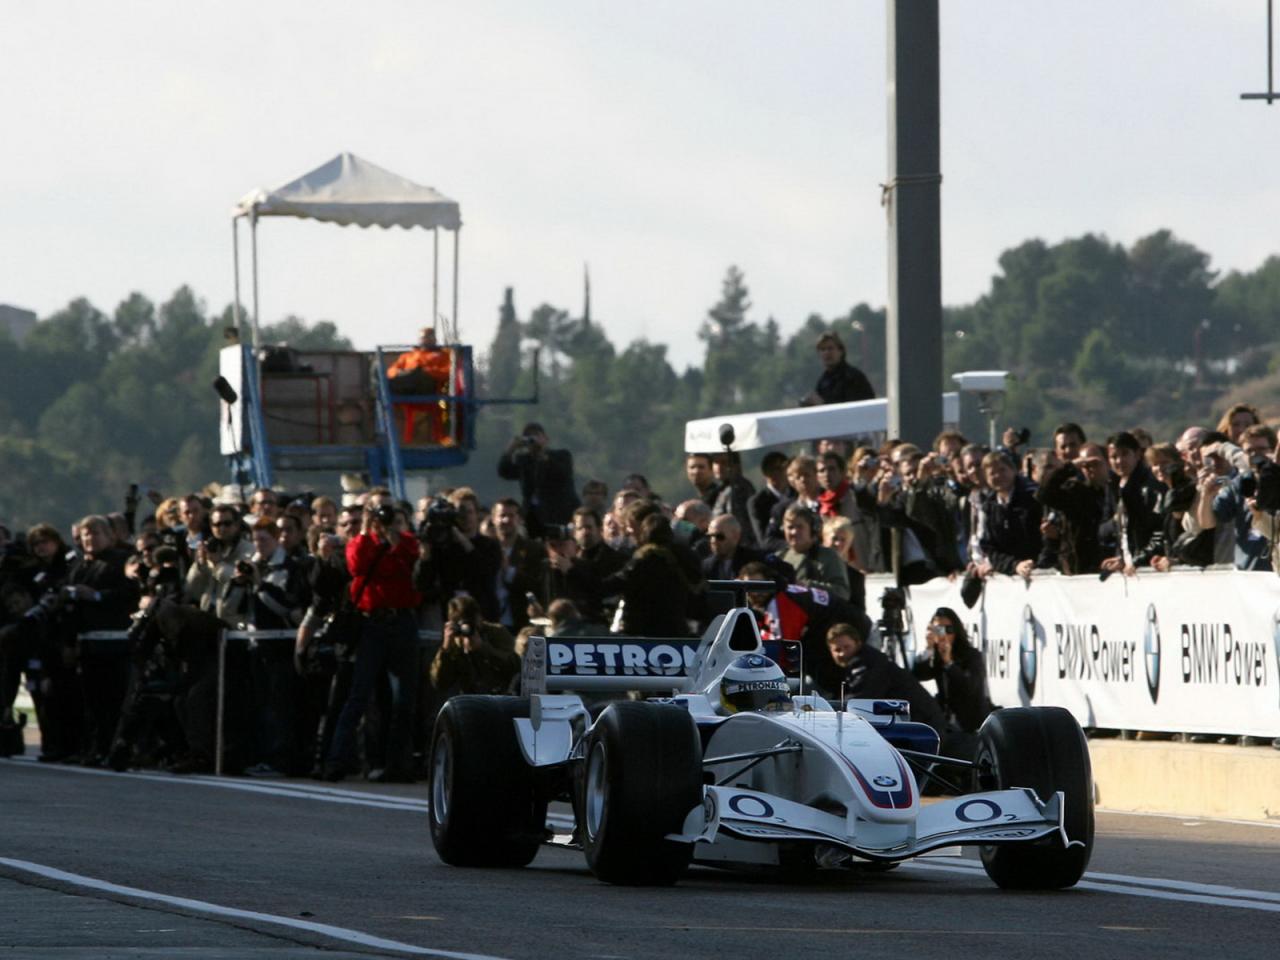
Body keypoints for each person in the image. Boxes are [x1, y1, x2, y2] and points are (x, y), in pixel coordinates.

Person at [324, 502, 422, 783]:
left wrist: (394, 540)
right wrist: (369, 531)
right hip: (373, 624)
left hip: (402, 621)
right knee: (358, 694)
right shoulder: (361, 542)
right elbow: (357, 566)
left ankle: (398, 764)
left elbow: (410, 567)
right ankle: (335, 760)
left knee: (405, 698)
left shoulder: (406, 542)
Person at [822, 622, 945, 735]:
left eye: (847, 647)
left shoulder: (867, 663)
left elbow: (859, 700)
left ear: (858, 643)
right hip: (917, 724)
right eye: (837, 650)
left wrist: (825, 711)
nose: (842, 653)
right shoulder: (864, 661)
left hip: (923, 727)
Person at [911, 607, 995, 756]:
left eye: (948, 629)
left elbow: (970, 688)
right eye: (939, 629)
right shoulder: (936, 656)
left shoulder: (971, 655)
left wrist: (949, 663)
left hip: (970, 725)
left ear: (956, 631)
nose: (944, 635)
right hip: (946, 724)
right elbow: (918, 675)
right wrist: (929, 648)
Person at [496, 422, 580, 538]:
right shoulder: (524, 460)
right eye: (529, 437)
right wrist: (511, 448)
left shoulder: (562, 455)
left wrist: (541, 453)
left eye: (536, 436)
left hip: (561, 513)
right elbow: (504, 471)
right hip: (534, 517)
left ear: (546, 438)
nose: (533, 440)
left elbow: (561, 473)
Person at [429, 595, 519, 697]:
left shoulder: (497, 633)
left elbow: (513, 666)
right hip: (467, 700)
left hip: (498, 697)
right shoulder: (454, 641)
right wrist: (445, 649)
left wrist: (483, 648)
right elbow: (439, 682)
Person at [386, 325, 457, 445]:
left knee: (440, 404)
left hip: (429, 389)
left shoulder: (443, 355)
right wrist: (401, 373)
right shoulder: (408, 356)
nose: (426, 340)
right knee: (385, 383)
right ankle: (396, 438)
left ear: (434, 339)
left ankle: (441, 437)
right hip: (407, 389)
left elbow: (447, 372)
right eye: (423, 337)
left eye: (429, 337)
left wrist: (427, 371)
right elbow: (391, 371)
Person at [780, 505, 850, 602]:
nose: (794, 532)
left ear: (812, 529)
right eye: (790, 527)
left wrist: (806, 586)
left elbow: (842, 592)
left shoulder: (828, 556)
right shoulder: (780, 557)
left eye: (800, 527)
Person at [801, 331, 874, 406]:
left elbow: (852, 409)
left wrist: (823, 404)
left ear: (841, 351)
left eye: (830, 348)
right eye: (822, 349)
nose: (826, 353)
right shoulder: (823, 381)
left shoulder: (853, 377)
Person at [711, 452, 757, 546]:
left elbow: (738, 524)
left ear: (735, 465)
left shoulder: (738, 488)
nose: (719, 467)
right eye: (716, 462)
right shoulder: (723, 488)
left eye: (724, 463)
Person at [748, 452, 792, 546]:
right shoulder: (757, 502)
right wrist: (793, 544)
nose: (777, 473)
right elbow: (763, 539)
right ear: (765, 473)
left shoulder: (796, 493)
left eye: (781, 469)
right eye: (772, 470)